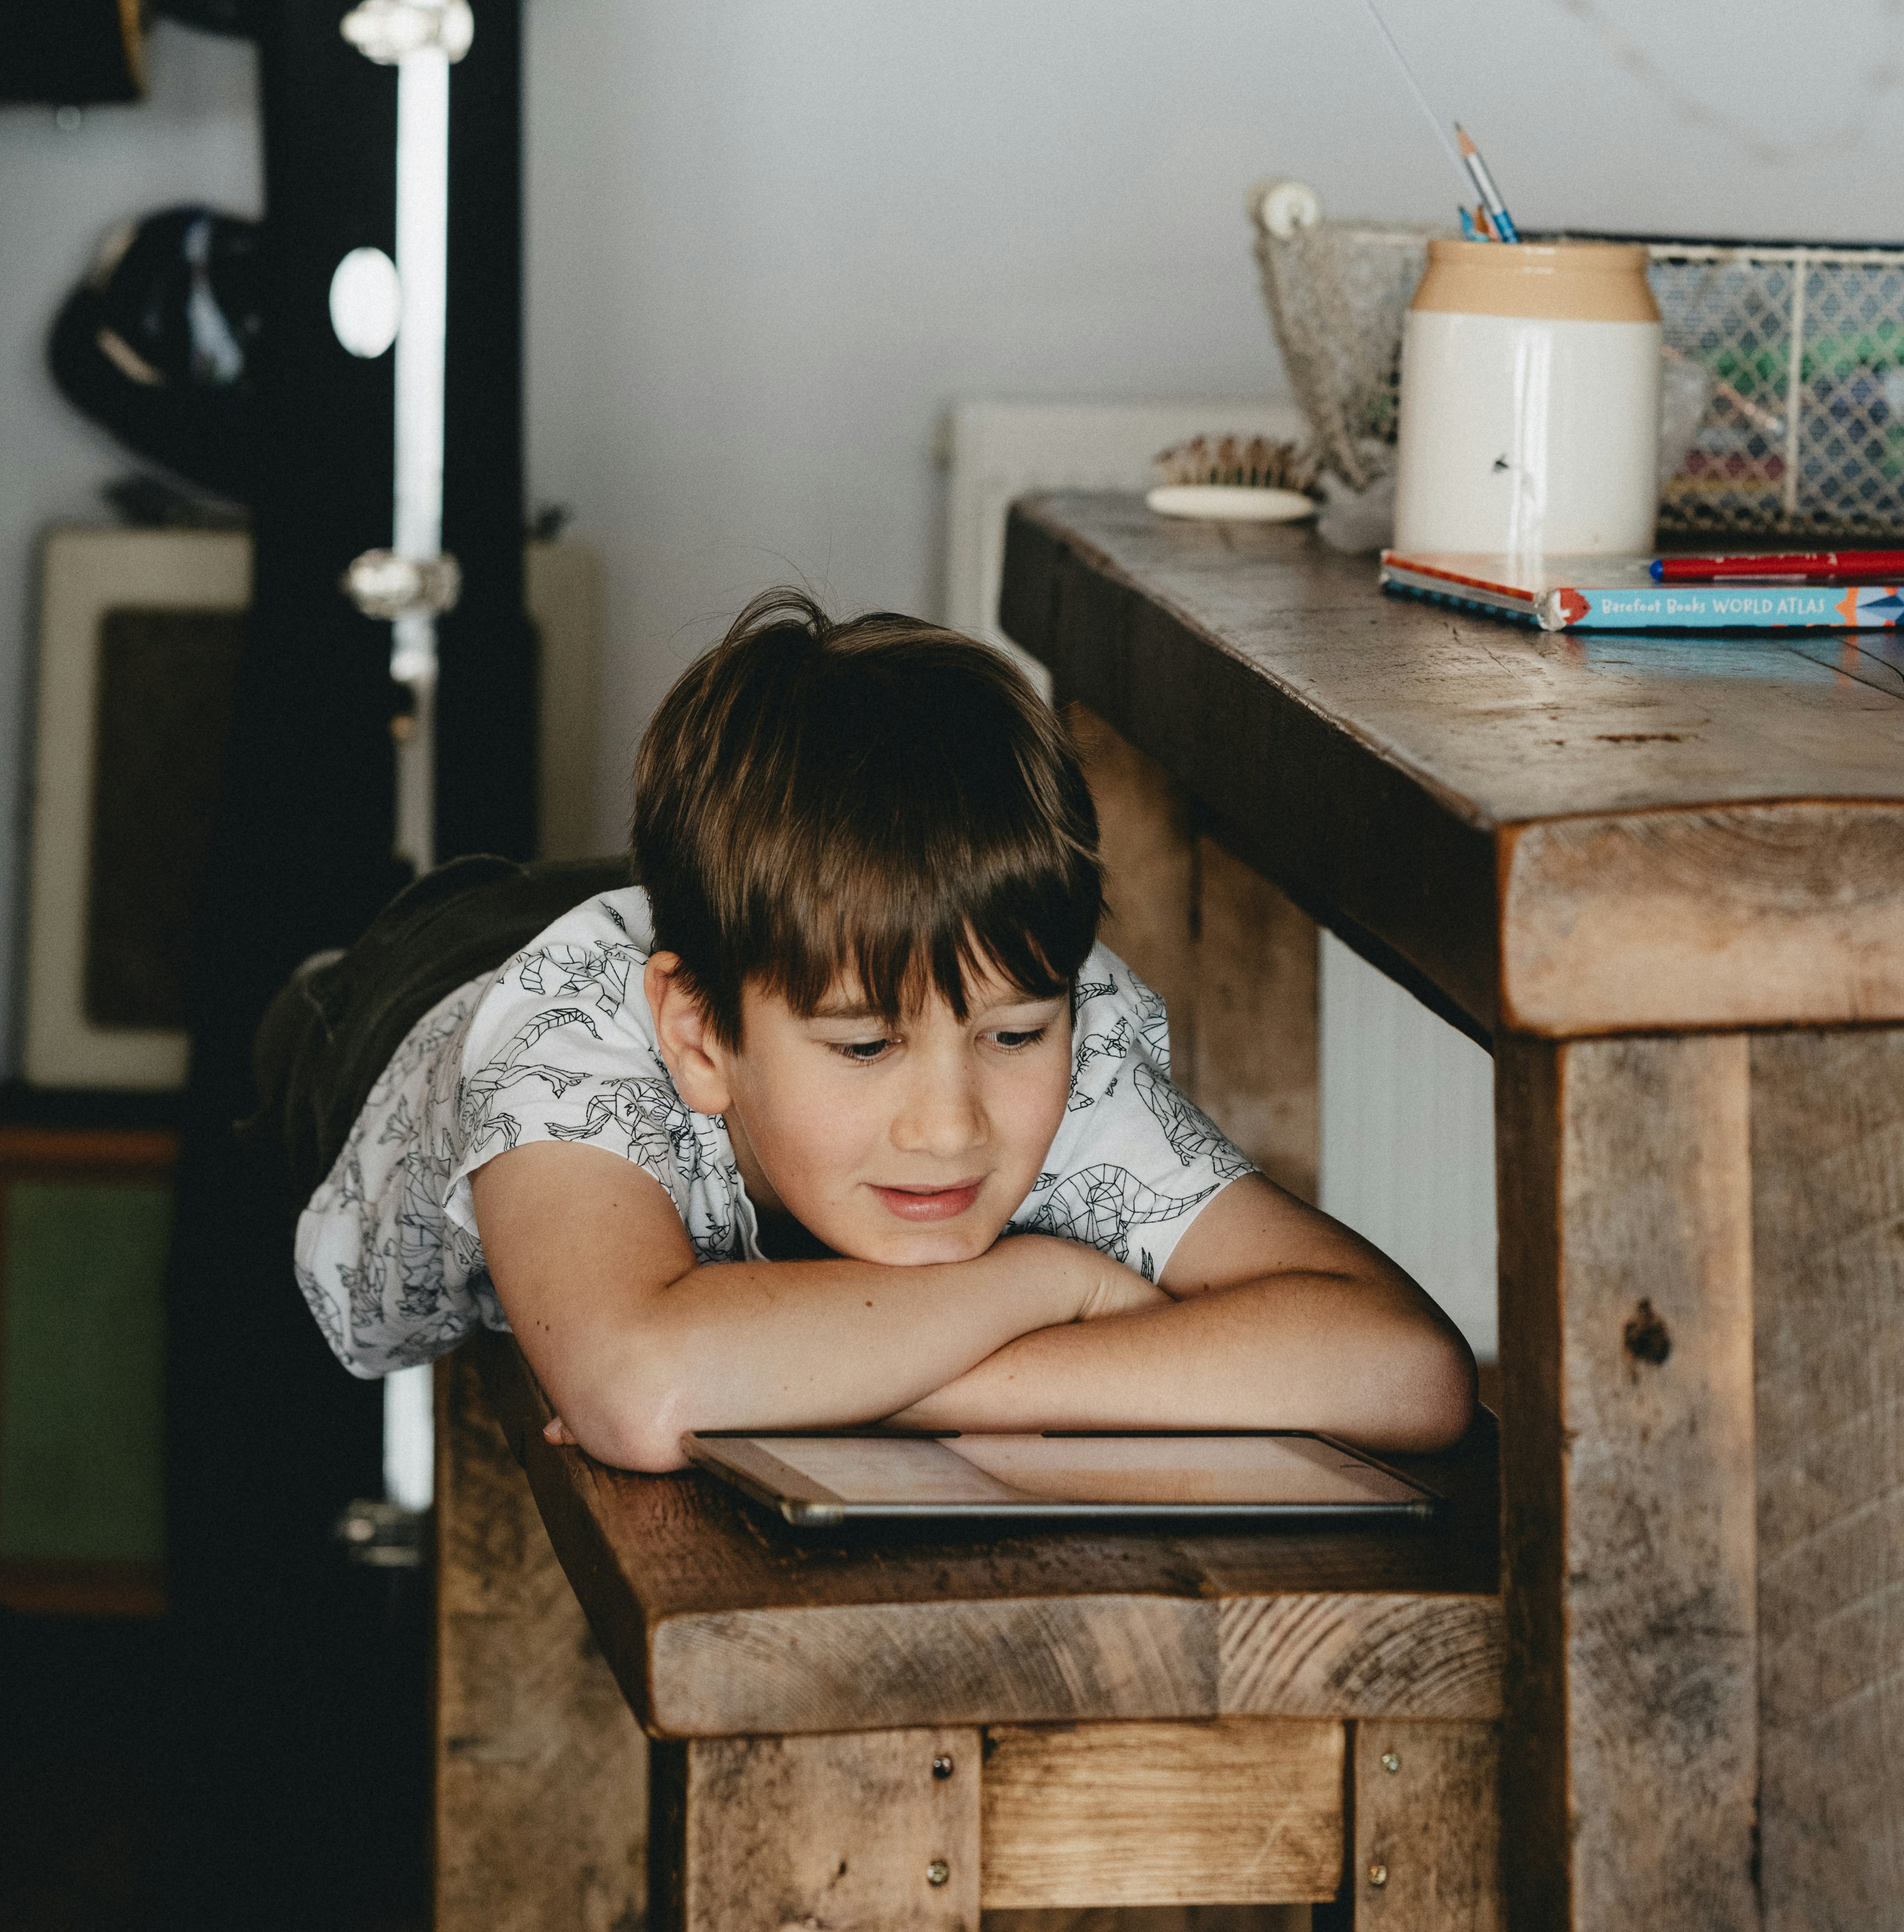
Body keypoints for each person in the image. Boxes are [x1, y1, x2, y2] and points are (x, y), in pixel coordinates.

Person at [273, 590, 1474, 1462]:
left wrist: (868, 1383)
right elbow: (642, 1393)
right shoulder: (568, 1048)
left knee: (818, 943)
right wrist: (1051, 1281)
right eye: (865, 1050)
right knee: (352, 995)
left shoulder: (1035, 1011)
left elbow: (1406, 1370)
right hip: (402, 999)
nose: (951, 1127)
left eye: (1012, 1038)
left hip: (753, 953)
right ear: (697, 1043)